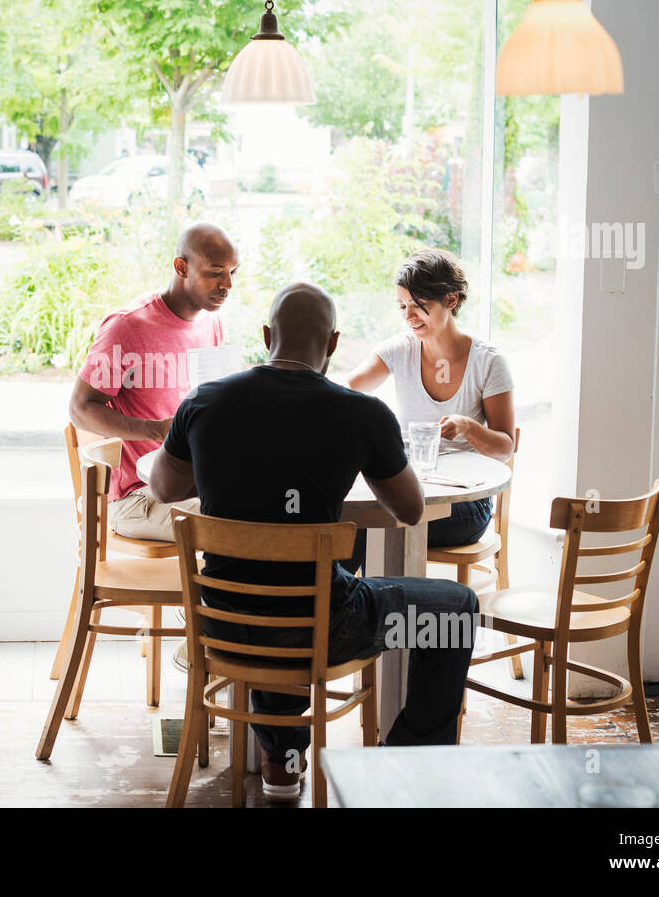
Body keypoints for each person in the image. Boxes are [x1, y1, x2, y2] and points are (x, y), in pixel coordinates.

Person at [151, 282, 479, 802]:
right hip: (324, 626)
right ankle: (411, 766)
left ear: (265, 336)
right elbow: (410, 510)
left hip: (223, 619)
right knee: (455, 607)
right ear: (332, 344)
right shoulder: (363, 414)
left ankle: (282, 764)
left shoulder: (205, 401)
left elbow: (164, 488)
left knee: (275, 590)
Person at [68, 222, 239, 541]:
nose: (227, 284)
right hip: (136, 496)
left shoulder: (210, 324)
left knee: (272, 503)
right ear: (181, 267)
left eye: (232, 272)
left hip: (190, 484)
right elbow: (79, 409)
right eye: (215, 272)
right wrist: (158, 429)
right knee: (237, 521)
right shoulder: (128, 327)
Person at [343, 249, 515, 549]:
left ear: (451, 300)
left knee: (371, 524)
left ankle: (371, 595)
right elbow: (346, 394)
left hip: (466, 503)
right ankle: (357, 595)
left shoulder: (488, 361)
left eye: (419, 305)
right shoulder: (399, 350)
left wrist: (467, 427)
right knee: (362, 519)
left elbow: (504, 448)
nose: (409, 316)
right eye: (402, 306)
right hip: (410, 490)